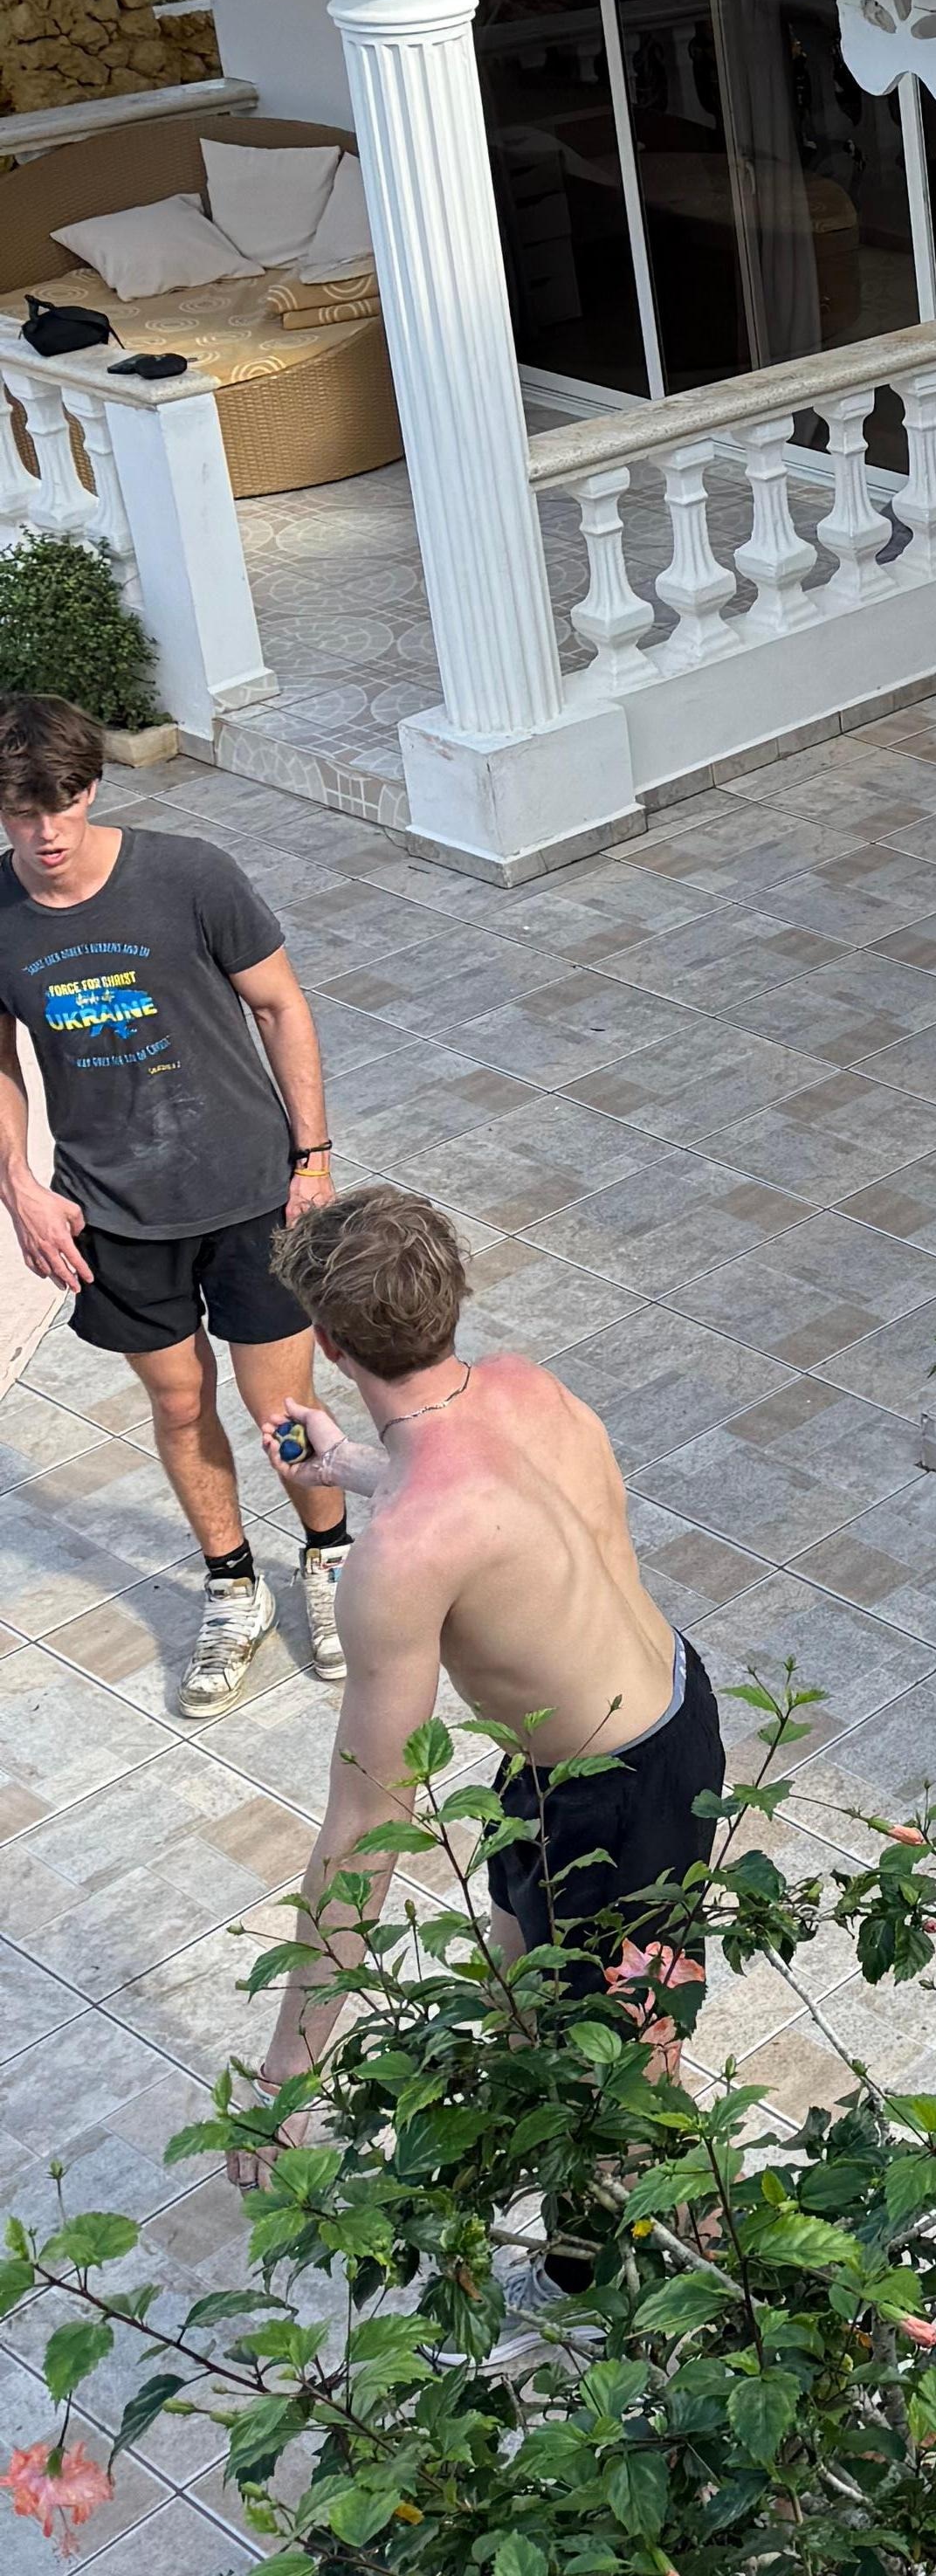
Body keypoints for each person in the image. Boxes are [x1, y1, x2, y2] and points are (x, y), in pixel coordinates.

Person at [246, 1186, 719, 2201]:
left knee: (614, 2077)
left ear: (328, 1344)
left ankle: (612, 2293)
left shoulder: (402, 1557)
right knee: (517, 1986)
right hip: (678, 1702)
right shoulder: (522, 1386)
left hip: (610, 1796)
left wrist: (290, 2067)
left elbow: (368, 1826)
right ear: (452, 1293)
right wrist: (347, 1465)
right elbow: (475, 1483)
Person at [0, 693, 349, 1713]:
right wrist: (21, 1186)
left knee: (279, 1403)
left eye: (61, 806)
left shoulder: (190, 875)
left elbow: (281, 1004)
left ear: (92, 789)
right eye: (22, 814)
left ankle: (328, 1559)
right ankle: (232, 1581)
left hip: (248, 1191)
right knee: (180, 1401)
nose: (44, 833)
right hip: (111, 1210)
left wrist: (314, 1158)